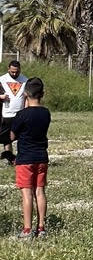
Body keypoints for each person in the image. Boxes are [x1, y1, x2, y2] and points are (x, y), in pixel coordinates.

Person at [8, 77, 50, 238]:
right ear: (42, 94)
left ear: (25, 94)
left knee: (27, 194)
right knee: (40, 191)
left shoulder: (21, 115)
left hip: (25, 158)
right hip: (42, 157)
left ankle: (27, 229)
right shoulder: (46, 113)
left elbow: (12, 136)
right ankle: (41, 227)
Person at [1, 60, 28, 163]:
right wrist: (1, 96)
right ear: (8, 69)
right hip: (6, 114)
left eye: (16, 72)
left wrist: (26, 110)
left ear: (20, 70)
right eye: (12, 72)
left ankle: (22, 158)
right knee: (6, 139)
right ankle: (10, 159)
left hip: (20, 114)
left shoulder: (25, 80)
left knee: (22, 137)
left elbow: (27, 96)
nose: (14, 74)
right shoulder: (2, 79)